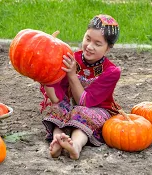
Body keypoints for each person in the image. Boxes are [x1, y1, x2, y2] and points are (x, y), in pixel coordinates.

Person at [40, 14, 122, 160]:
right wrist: (45, 76)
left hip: (98, 110)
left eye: (97, 44)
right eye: (88, 39)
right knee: (59, 108)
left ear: (108, 48)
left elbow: (84, 102)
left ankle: (76, 146)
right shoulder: (71, 58)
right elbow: (57, 97)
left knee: (82, 112)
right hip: (73, 107)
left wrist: (72, 75)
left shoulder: (111, 72)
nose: (89, 46)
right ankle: (57, 141)